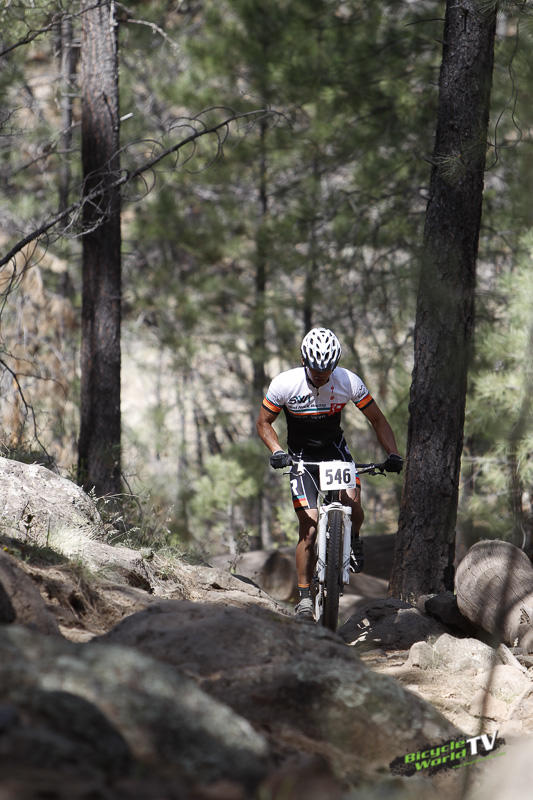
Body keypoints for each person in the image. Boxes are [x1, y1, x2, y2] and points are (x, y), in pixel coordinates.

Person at [256, 327, 403, 618]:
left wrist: (393, 454)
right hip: (300, 456)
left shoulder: (348, 381)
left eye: (327, 369)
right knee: (309, 530)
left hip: (335, 452)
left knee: (354, 504)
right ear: (303, 361)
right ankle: (304, 597)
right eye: (316, 369)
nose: (322, 375)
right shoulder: (285, 384)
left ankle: (354, 538)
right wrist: (276, 451)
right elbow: (263, 423)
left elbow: (377, 419)